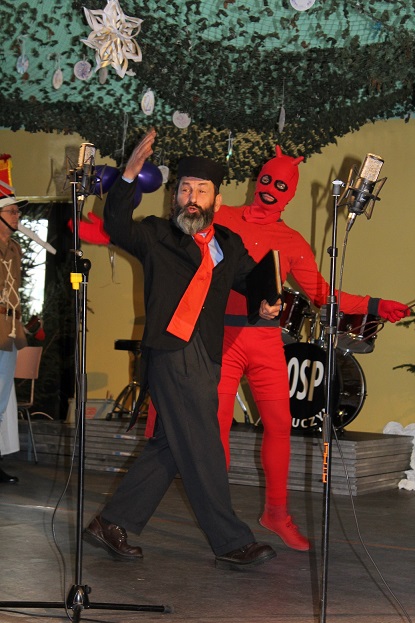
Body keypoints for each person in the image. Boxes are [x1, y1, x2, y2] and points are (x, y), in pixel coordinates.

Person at [85, 128, 281, 570]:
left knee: (170, 446)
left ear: (217, 200)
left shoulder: (228, 245)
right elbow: (116, 225)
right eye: (185, 190)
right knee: (204, 442)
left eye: (201, 191)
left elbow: (253, 281)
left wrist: (268, 303)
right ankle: (231, 540)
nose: (191, 198)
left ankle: (110, 523)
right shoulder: (156, 235)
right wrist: (129, 177)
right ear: (174, 196)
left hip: (206, 354)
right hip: (171, 350)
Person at [214, 146, 410, 551]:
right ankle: (220, 518)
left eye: (281, 185)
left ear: (290, 194)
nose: (270, 189)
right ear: (257, 179)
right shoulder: (222, 217)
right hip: (223, 338)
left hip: (265, 341)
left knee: (280, 426)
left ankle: (275, 513)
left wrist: (373, 305)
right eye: (267, 180)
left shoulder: (291, 241)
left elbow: (323, 293)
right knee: (216, 429)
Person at [0, 191, 28, 483]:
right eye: (11, 212)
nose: (17, 216)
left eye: (17, 212)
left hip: (9, 326)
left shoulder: (15, 248)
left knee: (1, 398)